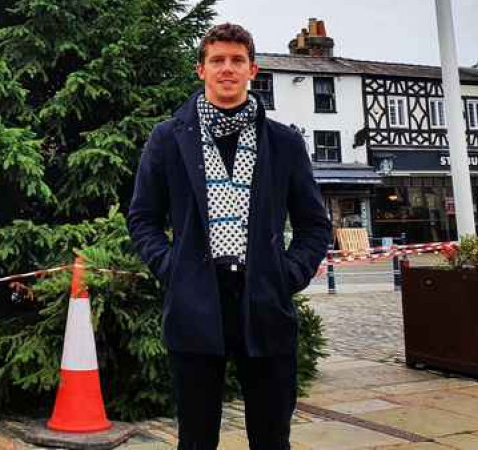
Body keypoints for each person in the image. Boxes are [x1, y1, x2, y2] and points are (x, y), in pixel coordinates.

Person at [128, 23, 331, 449]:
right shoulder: (167, 139)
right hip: (195, 303)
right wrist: (173, 269)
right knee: (197, 439)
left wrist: (287, 274)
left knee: (272, 438)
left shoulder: (284, 142)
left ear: (253, 70)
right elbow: (143, 218)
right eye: (217, 60)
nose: (227, 69)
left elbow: (314, 224)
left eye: (237, 60)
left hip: (264, 302)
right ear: (200, 69)